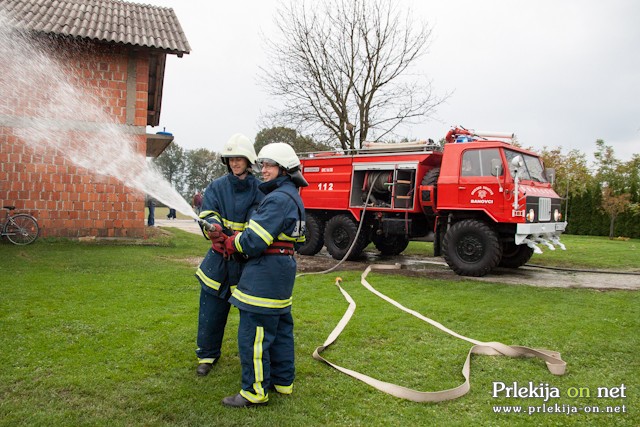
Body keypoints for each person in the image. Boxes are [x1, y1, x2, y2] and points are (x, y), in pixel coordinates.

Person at [220, 143, 307, 408]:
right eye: (263, 165)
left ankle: (254, 392)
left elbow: (254, 241)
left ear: (283, 169)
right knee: (279, 332)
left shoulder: (277, 199)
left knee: (253, 335)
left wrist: (231, 242)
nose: (263, 170)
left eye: (269, 165)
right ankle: (283, 382)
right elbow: (300, 240)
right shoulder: (294, 197)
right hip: (282, 274)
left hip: (264, 276)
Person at [194, 134, 263, 377]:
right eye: (231, 159)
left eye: (239, 159)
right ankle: (206, 355)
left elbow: (259, 220)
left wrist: (236, 239)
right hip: (219, 260)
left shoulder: (259, 188)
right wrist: (213, 229)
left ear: (248, 161)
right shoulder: (216, 186)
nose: (234, 163)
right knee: (211, 310)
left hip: (246, 262)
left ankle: (253, 359)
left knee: (252, 314)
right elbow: (208, 213)